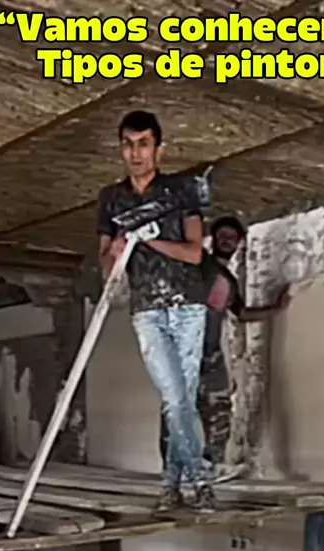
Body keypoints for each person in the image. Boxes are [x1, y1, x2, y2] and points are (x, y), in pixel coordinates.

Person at [96, 110, 216, 512]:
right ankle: (200, 480)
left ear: (158, 149)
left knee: (178, 401)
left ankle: (171, 484)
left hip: (188, 305)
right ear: (120, 149)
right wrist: (117, 251)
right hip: (146, 309)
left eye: (144, 144)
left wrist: (147, 240)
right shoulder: (111, 199)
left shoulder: (181, 191)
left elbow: (195, 253)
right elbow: (107, 265)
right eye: (128, 145)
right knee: (174, 397)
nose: (136, 153)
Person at [159, 215, 291, 481]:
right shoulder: (196, 266)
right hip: (184, 352)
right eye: (222, 237)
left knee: (219, 410)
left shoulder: (228, 280)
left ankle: (212, 465)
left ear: (238, 243)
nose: (227, 241)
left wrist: (276, 309)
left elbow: (240, 313)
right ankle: (174, 470)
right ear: (214, 240)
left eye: (232, 238)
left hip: (211, 355)